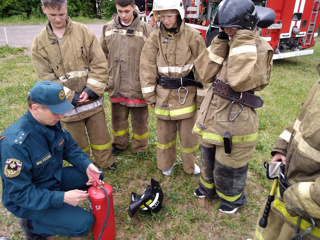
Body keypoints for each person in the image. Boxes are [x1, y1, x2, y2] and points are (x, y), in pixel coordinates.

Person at [192, 0, 274, 214]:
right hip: (214, 108)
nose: (226, 31)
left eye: (230, 28)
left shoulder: (260, 49)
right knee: (208, 151)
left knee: (230, 159)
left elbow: (238, 81)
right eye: (222, 28)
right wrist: (220, 40)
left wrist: (243, 39)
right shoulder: (225, 40)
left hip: (236, 115)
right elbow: (202, 74)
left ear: (246, 25)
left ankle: (232, 199)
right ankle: (207, 188)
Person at [0, 81, 103, 239]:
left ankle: (56, 212)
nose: (61, 116)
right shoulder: (15, 144)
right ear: (35, 108)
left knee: (96, 176)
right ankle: (32, 225)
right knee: (83, 224)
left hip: (51, 179)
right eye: (56, 112)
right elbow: (19, 194)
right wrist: (62, 198)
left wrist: (87, 165)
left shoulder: (51, 121)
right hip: (29, 198)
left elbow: (69, 148)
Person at [31, 0, 115, 170]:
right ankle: (84, 167)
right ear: (43, 10)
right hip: (66, 107)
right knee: (76, 141)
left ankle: (106, 163)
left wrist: (91, 89)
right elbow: (45, 78)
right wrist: (71, 97)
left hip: (92, 102)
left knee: (101, 136)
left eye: (61, 14)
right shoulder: (39, 44)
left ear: (66, 8)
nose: (58, 19)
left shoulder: (83, 32)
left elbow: (99, 62)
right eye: (52, 15)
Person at [140, 0, 206, 175]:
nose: (166, 20)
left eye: (169, 15)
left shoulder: (192, 36)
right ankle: (165, 164)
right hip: (163, 94)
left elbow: (203, 67)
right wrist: (149, 95)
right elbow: (146, 65)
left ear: (178, 13)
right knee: (164, 135)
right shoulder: (154, 38)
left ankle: (190, 166)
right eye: (162, 16)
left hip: (186, 94)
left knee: (189, 135)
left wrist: (202, 97)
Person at [254, 65, 320, 239]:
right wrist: (282, 147)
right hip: (288, 186)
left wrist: (302, 196)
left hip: (308, 213)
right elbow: (303, 119)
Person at [100, 0, 153, 156]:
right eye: (120, 11)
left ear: (133, 8)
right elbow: (102, 55)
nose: (123, 15)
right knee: (118, 117)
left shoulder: (145, 29)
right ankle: (119, 143)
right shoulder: (108, 28)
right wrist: (104, 79)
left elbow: (152, 56)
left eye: (126, 11)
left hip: (137, 82)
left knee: (140, 119)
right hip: (116, 82)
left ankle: (140, 147)